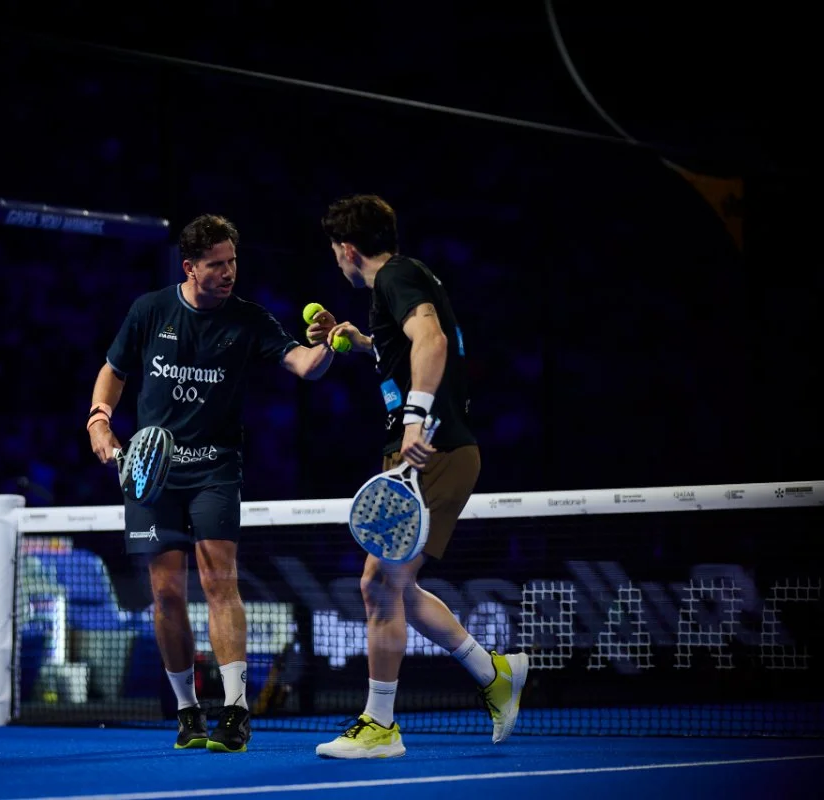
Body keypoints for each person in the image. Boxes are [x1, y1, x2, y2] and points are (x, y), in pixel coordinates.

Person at [87, 213, 334, 753]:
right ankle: (187, 711)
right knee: (166, 593)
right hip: (152, 469)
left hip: (215, 467)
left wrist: (329, 344)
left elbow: (303, 365)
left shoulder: (248, 319)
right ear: (190, 267)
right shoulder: (150, 310)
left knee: (220, 579)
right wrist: (99, 419)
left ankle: (237, 711)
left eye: (233, 262)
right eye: (217, 264)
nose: (229, 272)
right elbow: (113, 370)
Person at [309, 194, 528, 758]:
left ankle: (380, 726)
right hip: (426, 449)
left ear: (347, 249)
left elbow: (431, 340)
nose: (335, 259)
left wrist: (415, 416)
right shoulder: (408, 277)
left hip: (432, 447)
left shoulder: (394, 277)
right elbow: (411, 345)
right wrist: (366, 343)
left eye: (334, 250)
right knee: (391, 584)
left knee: (381, 585)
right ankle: (494, 673)